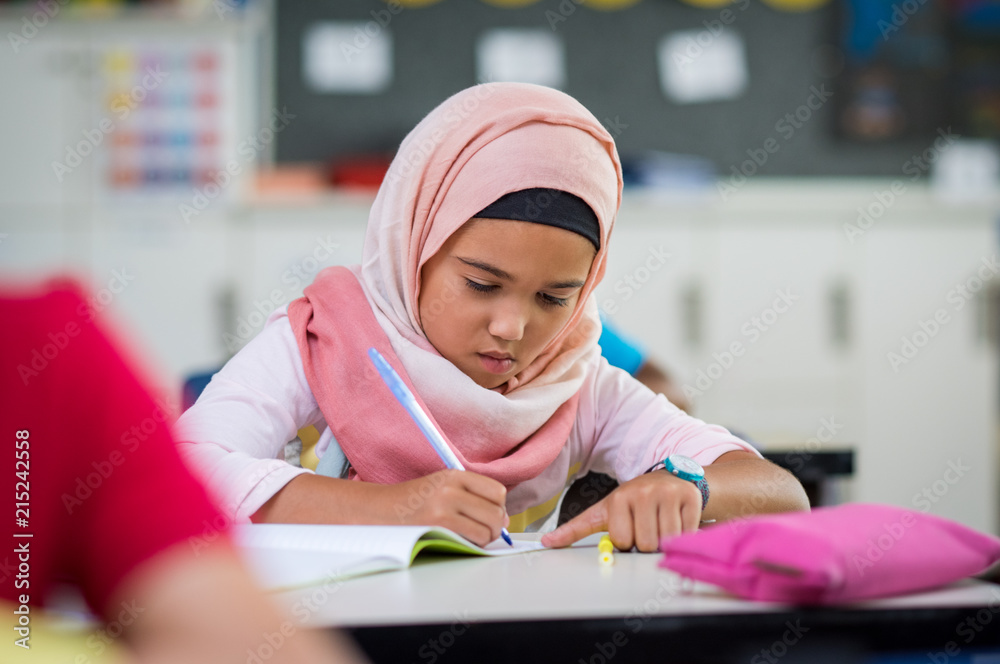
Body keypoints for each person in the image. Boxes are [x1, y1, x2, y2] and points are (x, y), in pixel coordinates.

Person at [176, 83, 808, 553]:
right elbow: (183, 470)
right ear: (415, 249)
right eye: (482, 284)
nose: (512, 327)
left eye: (555, 298)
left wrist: (692, 488)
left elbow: (781, 493)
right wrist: (389, 507)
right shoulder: (324, 341)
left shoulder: (577, 385)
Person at [0, 280, 366, 663]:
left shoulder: (51, 349)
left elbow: (226, 632)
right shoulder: (327, 328)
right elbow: (203, 457)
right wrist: (393, 504)